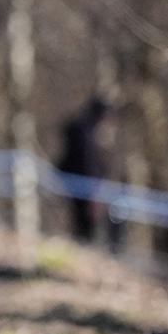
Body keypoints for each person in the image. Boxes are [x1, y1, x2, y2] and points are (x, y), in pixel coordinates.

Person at [56, 96, 112, 244]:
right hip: (84, 185)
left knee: (83, 224)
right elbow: (88, 162)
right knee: (84, 224)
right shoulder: (86, 133)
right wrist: (94, 189)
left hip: (81, 183)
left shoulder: (83, 130)